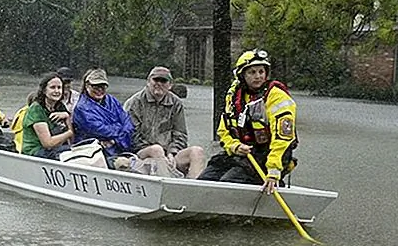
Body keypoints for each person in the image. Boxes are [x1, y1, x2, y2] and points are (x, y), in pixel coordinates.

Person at [197, 49, 297, 195]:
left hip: (271, 155)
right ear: (242, 75)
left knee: (228, 182)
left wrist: (273, 171)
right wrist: (234, 146)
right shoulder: (234, 97)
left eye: (261, 72)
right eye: (252, 72)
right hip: (242, 152)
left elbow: (283, 138)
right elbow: (224, 131)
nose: (258, 76)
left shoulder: (277, 97)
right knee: (206, 178)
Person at [124, 66, 205, 178]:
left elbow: (180, 134)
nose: (159, 83)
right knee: (156, 150)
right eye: (155, 80)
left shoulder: (176, 103)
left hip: (170, 155)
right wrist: (160, 154)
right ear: (148, 82)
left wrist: (172, 152)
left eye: (163, 81)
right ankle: (168, 184)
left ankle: (192, 186)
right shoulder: (134, 103)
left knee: (197, 152)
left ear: (170, 85)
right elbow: (132, 137)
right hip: (141, 154)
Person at [72, 68, 134, 164]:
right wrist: (120, 128)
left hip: (118, 148)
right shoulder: (82, 108)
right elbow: (100, 130)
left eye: (103, 86)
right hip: (94, 152)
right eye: (95, 86)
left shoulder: (112, 100)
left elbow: (127, 122)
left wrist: (114, 141)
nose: (100, 90)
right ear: (87, 85)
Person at [21, 73, 74, 159]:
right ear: (44, 90)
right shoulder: (36, 109)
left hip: (55, 149)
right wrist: (69, 133)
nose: (56, 91)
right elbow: (48, 143)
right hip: (35, 152)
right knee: (70, 152)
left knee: (79, 150)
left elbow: (72, 140)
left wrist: (67, 117)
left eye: (59, 88)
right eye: (52, 87)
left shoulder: (60, 107)